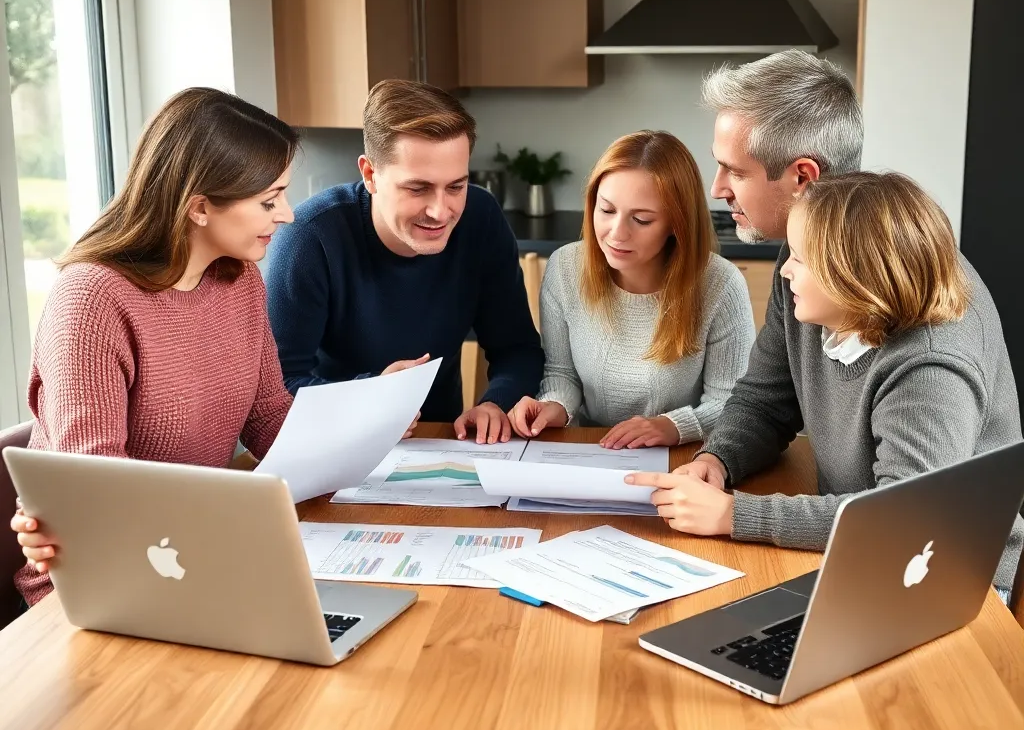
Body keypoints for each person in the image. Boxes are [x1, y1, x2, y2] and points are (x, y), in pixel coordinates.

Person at [627, 172, 1024, 590]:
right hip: (857, 545)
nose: (785, 272)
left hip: (944, 577)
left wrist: (734, 515)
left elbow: (903, 520)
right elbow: (765, 403)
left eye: (800, 258)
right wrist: (716, 460)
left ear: (852, 275)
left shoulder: (929, 367)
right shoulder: (832, 314)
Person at [10, 88, 299, 606]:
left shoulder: (239, 282)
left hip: (201, 553)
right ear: (200, 207)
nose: (288, 215)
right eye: (269, 200)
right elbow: (97, 493)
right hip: (106, 585)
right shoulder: (92, 301)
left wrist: (364, 428)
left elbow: (269, 417)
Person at [265, 79, 544, 445]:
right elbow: (276, 390)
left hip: (444, 444)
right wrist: (371, 396)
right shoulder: (309, 238)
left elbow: (517, 348)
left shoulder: (481, 217)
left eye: (456, 186)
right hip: (336, 447)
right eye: (417, 188)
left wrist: (496, 402)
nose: (440, 210)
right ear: (370, 175)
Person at [508, 131, 755, 447]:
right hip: (592, 449)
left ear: (676, 224)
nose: (617, 233)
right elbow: (562, 375)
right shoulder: (565, 267)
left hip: (685, 454)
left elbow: (733, 403)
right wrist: (552, 407)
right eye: (607, 210)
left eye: (641, 219)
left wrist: (671, 427)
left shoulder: (720, 284)